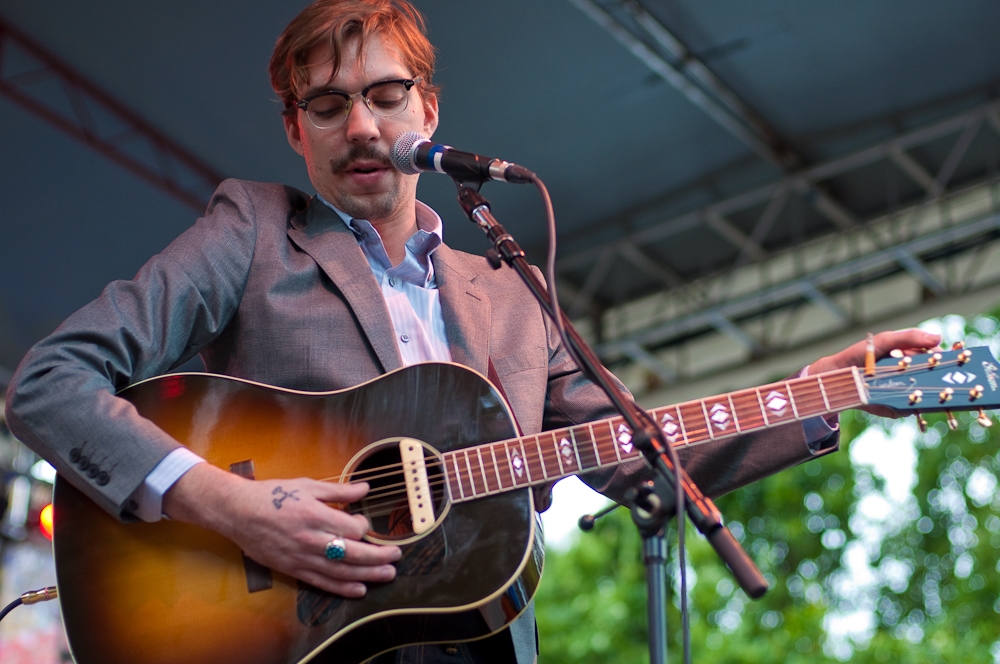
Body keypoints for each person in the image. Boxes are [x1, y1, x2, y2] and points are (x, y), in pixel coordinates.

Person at [4, 1, 940, 662]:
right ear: (295, 130)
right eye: (327, 106)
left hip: (483, 640)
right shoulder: (253, 231)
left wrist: (834, 387)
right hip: (292, 638)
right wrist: (230, 504)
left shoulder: (508, 293)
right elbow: (49, 383)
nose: (361, 125)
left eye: (384, 95)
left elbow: (640, 447)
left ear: (430, 110)